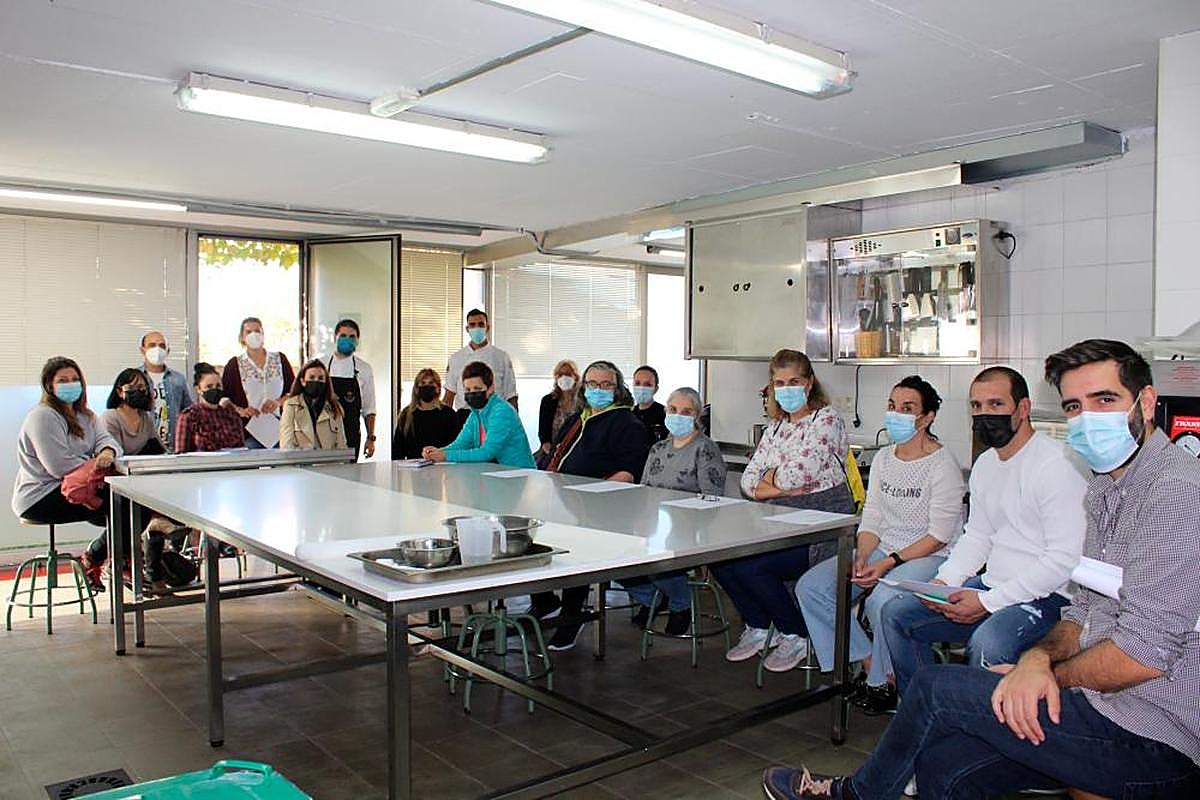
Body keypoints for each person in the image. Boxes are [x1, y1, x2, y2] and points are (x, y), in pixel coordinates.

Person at [761, 339, 1200, 800]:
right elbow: (1083, 610)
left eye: (1104, 400)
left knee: (938, 688)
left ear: (1145, 402)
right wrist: (1035, 657)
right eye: (1074, 406)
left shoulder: (1171, 492)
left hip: (1153, 731)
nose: (1087, 419)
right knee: (942, 765)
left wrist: (1045, 674)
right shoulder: (1106, 490)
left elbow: (1143, 653)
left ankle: (852, 795)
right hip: (1096, 701)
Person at [880, 366, 1088, 696]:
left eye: (995, 405)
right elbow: (977, 535)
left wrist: (989, 602)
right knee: (896, 614)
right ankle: (924, 711)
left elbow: (1063, 561)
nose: (984, 414)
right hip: (993, 586)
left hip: (1050, 598)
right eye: (976, 407)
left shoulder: (1057, 465)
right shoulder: (987, 465)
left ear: (1023, 408)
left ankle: (982, 737)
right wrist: (944, 582)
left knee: (989, 644)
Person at [795, 376, 964, 713]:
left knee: (881, 601)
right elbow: (871, 517)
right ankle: (872, 662)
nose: (896, 414)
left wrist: (887, 564)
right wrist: (862, 554)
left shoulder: (943, 465)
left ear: (927, 417)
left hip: (929, 556)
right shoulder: (885, 458)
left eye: (907, 408)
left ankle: (882, 684)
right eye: (892, 406)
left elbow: (939, 535)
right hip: (882, 550)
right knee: (812, 588)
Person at [711, 349, 853, 673]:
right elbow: (749, 481)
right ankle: (759, 626)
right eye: (779, 382)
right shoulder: (776, 427)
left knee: (752, 567)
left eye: (794, 381)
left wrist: (772, 482)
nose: (786, 388)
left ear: (809, 383)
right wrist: (775, 484)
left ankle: (796, 633)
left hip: (822, 531)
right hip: (779, 523)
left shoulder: (826, 419)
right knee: (721, 558)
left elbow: (794, 474)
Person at [529, 360, 651, 651]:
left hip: (603, 508)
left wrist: (591, 495)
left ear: (618, 389)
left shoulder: (626, 423)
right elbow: (555, 455)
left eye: (606, 384)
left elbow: (629, 472)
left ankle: (573, 613)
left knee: (577, 539)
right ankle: (544, 601)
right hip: (563, 502)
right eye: (593, 384)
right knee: (529, 529)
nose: (598, 390)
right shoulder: (577, 418)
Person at [622, 387, 727, 636]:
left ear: (697, 415)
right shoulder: (657, 449)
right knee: (616, 556)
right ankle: (651, 599)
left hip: (689, 524)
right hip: (654, 520)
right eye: (673, 410)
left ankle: (681, 605)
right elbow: (643, 490)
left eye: (686, 411)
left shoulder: (705, 449)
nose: (678, 415)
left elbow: (713, 497)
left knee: (659, 557)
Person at [12, 357, 120, 592]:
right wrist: (96, 461)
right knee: (123, 508)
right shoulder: (43, 416)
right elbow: (59, 466)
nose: (71, 384)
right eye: (63, 380)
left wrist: (108, 451)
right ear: (49, 386)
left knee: (130, 509)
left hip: (78, 488)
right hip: (41, 496)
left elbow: (108, 442)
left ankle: (106, 557)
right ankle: (96, 558)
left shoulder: (87, 416)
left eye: (74, 379)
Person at [100, 369, 192, 595]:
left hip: (144, 481)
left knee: (163, 487)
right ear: (120, 391)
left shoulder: (146, 418)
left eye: (143, 388)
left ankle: (156, 570)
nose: (139, 393)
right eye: (133, 389)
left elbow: (158, 449)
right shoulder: (110, 417)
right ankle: (156, 529)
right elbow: (113, 454)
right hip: (119, 482)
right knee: (147, 507)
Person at [422, 362, 534, 468]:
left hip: (518, 474)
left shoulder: (501, 411)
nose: (472, 393)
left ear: (490, 388)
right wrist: (437, 452)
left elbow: (486, 452)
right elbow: (461, 444)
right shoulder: (475, 413)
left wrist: (444, 456)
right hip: (495, 474)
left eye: (477, 388)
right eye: (468, 389)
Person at [220, 317, 295, 448]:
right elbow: (223, 399)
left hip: (280, 429)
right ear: (242, 337)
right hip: (249, 431)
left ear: (263, 334)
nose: (254, 334)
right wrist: (241, 411)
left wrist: (278, 402)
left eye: (257, 331)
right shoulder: (234, 364)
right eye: (248, 332)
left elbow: (294, 392)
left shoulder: (279, 359)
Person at [318, 319, 377, 458]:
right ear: (335, 338)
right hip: (322, 434)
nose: (347, 340)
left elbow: (369, 408)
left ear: (357, 340)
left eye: (352, 337)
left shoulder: (364, 369)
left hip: (350, 434)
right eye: (343, 336)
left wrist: (370, 438)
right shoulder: (320, 365)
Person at [443, 309, 517, 412]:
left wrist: (513, 421)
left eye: (481, 324)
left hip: (494, 413)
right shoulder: (456, 359)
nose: (476, 328)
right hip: (465, 415)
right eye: (472, 325)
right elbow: (449, 395)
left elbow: (511, 395)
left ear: (487, 327)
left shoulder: (501, 357)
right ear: (467, 329)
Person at [138, 330, 191, 452]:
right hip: (142, 449)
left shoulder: (178, 379)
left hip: (173, 447)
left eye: (162, 346)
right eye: (152, 345)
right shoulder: (135, 378)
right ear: (142, 350)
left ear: (168, 351)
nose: (157, 349)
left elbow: (188, 411)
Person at [175, 363, 246, 453]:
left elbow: (242, 450)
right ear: (199, 389)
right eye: (209, 386)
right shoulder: (189, 416)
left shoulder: (231, 415)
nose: (214, 389)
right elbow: (181, 456)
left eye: (218, 386)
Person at [392, 368, 461, 459]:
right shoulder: (406, 414)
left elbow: (456, 446)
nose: (427, 386)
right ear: (417, 388)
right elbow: (397, 450)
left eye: (431, 383)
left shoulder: (448, 414)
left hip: (441, 467)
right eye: (423, 383)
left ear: (438, 388)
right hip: (413, 469)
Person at [280, 360, 346, 450]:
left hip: (328, 462)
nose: (316, 381)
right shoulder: (291, 405)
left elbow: (341, 444)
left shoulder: (334, 407)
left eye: (320, 378)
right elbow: (286, 444)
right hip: (300, 462)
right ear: (303, 381)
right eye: (311, 377)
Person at [538, 359, 580, 458]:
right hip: (552, 452)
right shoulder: (548, 401)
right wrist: (553, 454)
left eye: (568, 374)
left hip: (577, 452)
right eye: (560, 374)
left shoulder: (583, 401)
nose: (564, 377)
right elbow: (544, 436)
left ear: (576, 377)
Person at [631, 365, 669, 444]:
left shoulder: (665, 415)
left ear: (655, 389)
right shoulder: (628, 415)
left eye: (647, 384)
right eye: (637, 383)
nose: (641, 388)